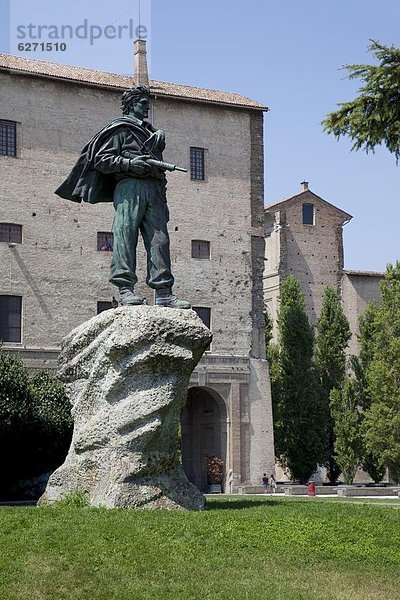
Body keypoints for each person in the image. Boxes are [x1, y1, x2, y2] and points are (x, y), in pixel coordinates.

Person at [55, 85, 190, 309]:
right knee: (125, 236)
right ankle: (125, 290)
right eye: (142, 103)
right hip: (129, 188)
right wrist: (129, 164)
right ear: (131, 105)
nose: (147, 107)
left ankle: (164, 292)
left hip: (153, 189)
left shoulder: (151, 133)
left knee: (160, 240)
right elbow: (101, 159)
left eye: (147, 103)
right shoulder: (120, 130)